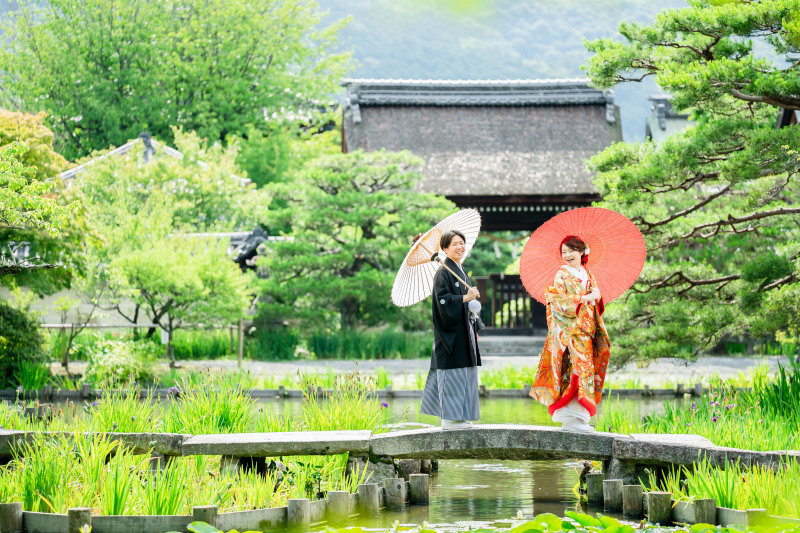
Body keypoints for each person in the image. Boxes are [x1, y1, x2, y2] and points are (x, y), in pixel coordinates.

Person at [529, 236, 611, 433]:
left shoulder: (587, 273)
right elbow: (557, 300)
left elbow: (595, 302)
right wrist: (585, 297)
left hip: (587, 331)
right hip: (571, 332)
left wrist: (596, 296)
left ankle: (579, 420)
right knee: (576, 372)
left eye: (571, 250)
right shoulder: (561, 274)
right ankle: (572, 420)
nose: (567, 255)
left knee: (586, 373)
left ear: (582, 251)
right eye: (564, 252)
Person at [420, 230, 482, 430]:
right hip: (450, 335)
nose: (459, 247)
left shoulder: (461, 272)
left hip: (465, 332)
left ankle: (461, 416)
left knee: (464, 373)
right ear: (445, 249)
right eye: (454, 244)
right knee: (453, 373)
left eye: (461, 243)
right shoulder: (443, 272)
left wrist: (475, 326)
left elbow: (468, 306)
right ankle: (449, 419)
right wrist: (465, 297)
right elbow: (442, 302)